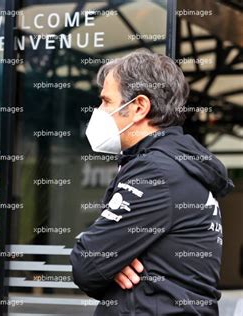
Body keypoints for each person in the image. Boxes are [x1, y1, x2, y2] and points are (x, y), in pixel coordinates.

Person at [70, 49, 234, 315]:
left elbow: (86, 266)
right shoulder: (172, 165)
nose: (98, 111)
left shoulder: (157, 172)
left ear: (138, 107)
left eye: (105, 101)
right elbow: (98, 257)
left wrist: (109, 259)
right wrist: (110, 258)